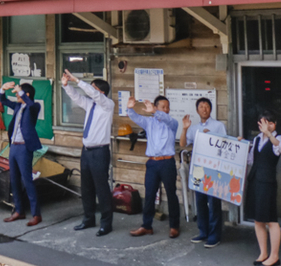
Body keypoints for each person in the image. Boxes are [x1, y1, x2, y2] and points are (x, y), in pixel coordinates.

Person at [61, 70, 114, 237]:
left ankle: (106, 223)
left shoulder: (107, 104)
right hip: (86, 151)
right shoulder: (91, 105)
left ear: (101, 92)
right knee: (87, 188)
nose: (90, 90)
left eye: (93, 88)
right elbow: (76, 97)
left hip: (100, 151)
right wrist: (66, 85)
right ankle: (88, 218)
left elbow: (93, 94)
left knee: (102, 188)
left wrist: (78, 80)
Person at [126, 94, 180, 239]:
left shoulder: (172, 123)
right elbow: (136, 117)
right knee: (149, 194)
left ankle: (174, 226)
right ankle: (146, 226)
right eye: (163, 107)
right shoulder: (149, 122)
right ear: (156, 106)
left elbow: (166, 118)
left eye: (168, 107)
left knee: (171, 194)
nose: (166, 109)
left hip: (167, 162)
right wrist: (130, 108)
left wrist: (156, 112)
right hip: (152, 163)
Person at [181, 97, 227, 247]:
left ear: (211, 109)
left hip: (213, 169)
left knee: (213, 203)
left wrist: (212, 136)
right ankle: (203, 232)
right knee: (200, 202)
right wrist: (185, 128)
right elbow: (183, 144)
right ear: (197, 110)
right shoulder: (194, 128)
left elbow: (225, 145)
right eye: (201, 107)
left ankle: (215, 235)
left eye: (206, 106)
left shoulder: (218, 126)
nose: (204, 109)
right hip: (198, 169)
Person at [243, 110, 281, 266]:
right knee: (258, 219)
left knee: (271, 219)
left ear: (273, 124)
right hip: (255, 180)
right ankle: (263, 253)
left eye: (266, 123)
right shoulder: (256, 139)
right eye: (261, 123)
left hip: (267, 182)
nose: (263, 126)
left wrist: (269, 134)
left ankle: (274, 256)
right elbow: (250, 160)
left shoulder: (278, 138)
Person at [0, 81, 43, 227]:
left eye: (18, 93)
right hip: (14, 146)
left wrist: (21, 92)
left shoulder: (34, 106)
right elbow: (4, 101)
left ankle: (36, 214)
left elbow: (31, 105)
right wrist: (2, 89)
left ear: (27, 94)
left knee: (27, 180)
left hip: (25, 147)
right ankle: (19, 210)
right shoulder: (18, 105)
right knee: (14, 179)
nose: (16, 95)